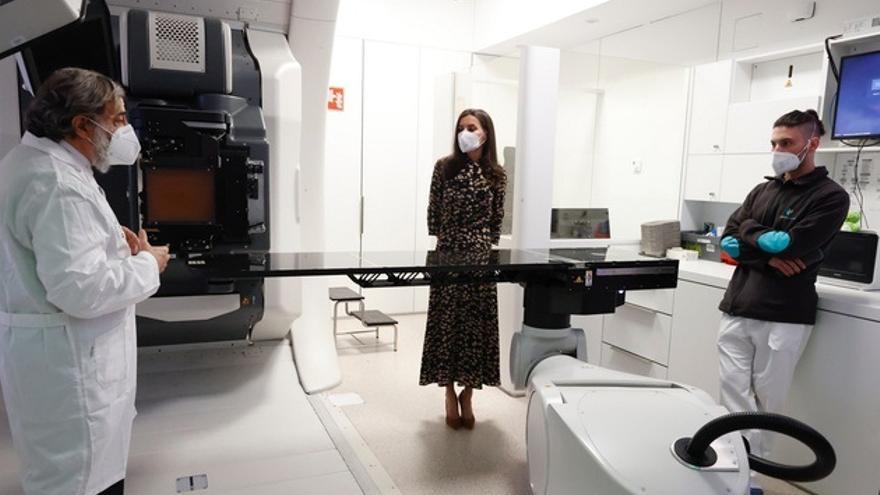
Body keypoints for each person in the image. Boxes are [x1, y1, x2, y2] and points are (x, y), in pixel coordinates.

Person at [0, 67, 170, 495]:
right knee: (81, 483)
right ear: (81, 124)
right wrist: (149, 264)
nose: (124, 131)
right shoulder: (59, 182)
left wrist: (114, 246)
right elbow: (80, 289)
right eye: (117, 119)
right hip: (73, 373)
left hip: (49, 361)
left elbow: (56, 256)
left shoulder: (30, 163)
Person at [717, 109, 849, 495]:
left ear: (812, 143)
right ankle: (729, 472)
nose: (778, 150)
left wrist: (752, 236)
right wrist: (767, 253)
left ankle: (750, 481)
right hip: (737, 306)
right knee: (731, 398)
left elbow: (789, 244)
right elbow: (728, 241)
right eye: (774, 142)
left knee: (766, 404)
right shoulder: (762, 190)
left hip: (784, 316)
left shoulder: (830, 197)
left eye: (786, 143)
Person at [420, 109, 506, 430]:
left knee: (476, 326)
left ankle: (468, 393)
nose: (465, 132)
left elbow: (496, 222)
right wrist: (444, 251)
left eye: (471, 127)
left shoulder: (497, 175)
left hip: (480, 257)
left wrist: (482, 245)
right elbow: (434, 213)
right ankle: (447, 391)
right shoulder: (445, 167)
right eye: (460, 128)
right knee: (447, 324)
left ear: (486, 133)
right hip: (449, 253)